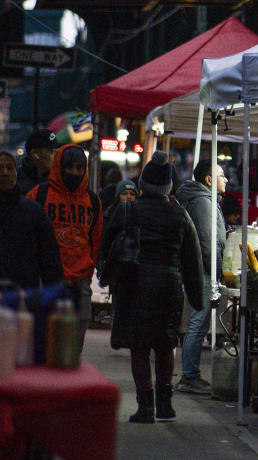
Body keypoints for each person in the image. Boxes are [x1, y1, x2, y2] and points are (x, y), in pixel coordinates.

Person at [100, 151, 203, 423]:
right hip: (169, 285)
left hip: (134, 284)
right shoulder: (180, 215)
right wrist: (197, 297)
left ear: (143, 183)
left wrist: (106, 275)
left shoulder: (127, 210)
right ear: (169, 186)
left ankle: (145, 406)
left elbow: (106, 246)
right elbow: (192, 259)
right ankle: (165, 405)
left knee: (139, 347)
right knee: (165, 345)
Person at [27, 144, 102, 355]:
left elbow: (95, 242)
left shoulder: (92, 201)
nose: (75, 172)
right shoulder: (39, 195)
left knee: (72, 351)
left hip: (79, 284)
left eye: (80, 167)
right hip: (46, 280)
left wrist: (87, 272)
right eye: (70, 167)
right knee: (42, 346)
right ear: (60, 167)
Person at [174, 159, 227, 395]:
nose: (226, 179)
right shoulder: (203, 203)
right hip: (204, 269)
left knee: (199, 322)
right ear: (208, 180)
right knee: (198, 323)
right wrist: (216, 272)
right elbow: (207, 243)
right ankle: (190, 376)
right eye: (221, 175)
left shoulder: (202, 200)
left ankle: (191, 374)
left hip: (201, 268)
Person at [0, 150, 62, 288]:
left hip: (24, 297)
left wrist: (54, 293)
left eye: (10, 168)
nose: (5, 173)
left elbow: (49, 259)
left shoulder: (33, 212)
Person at [17, 128, 59, 195]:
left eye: (57, 152)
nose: (56, 156)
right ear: (34, 154)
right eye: (51, 152)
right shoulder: (15, 180)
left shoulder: (59, 179)